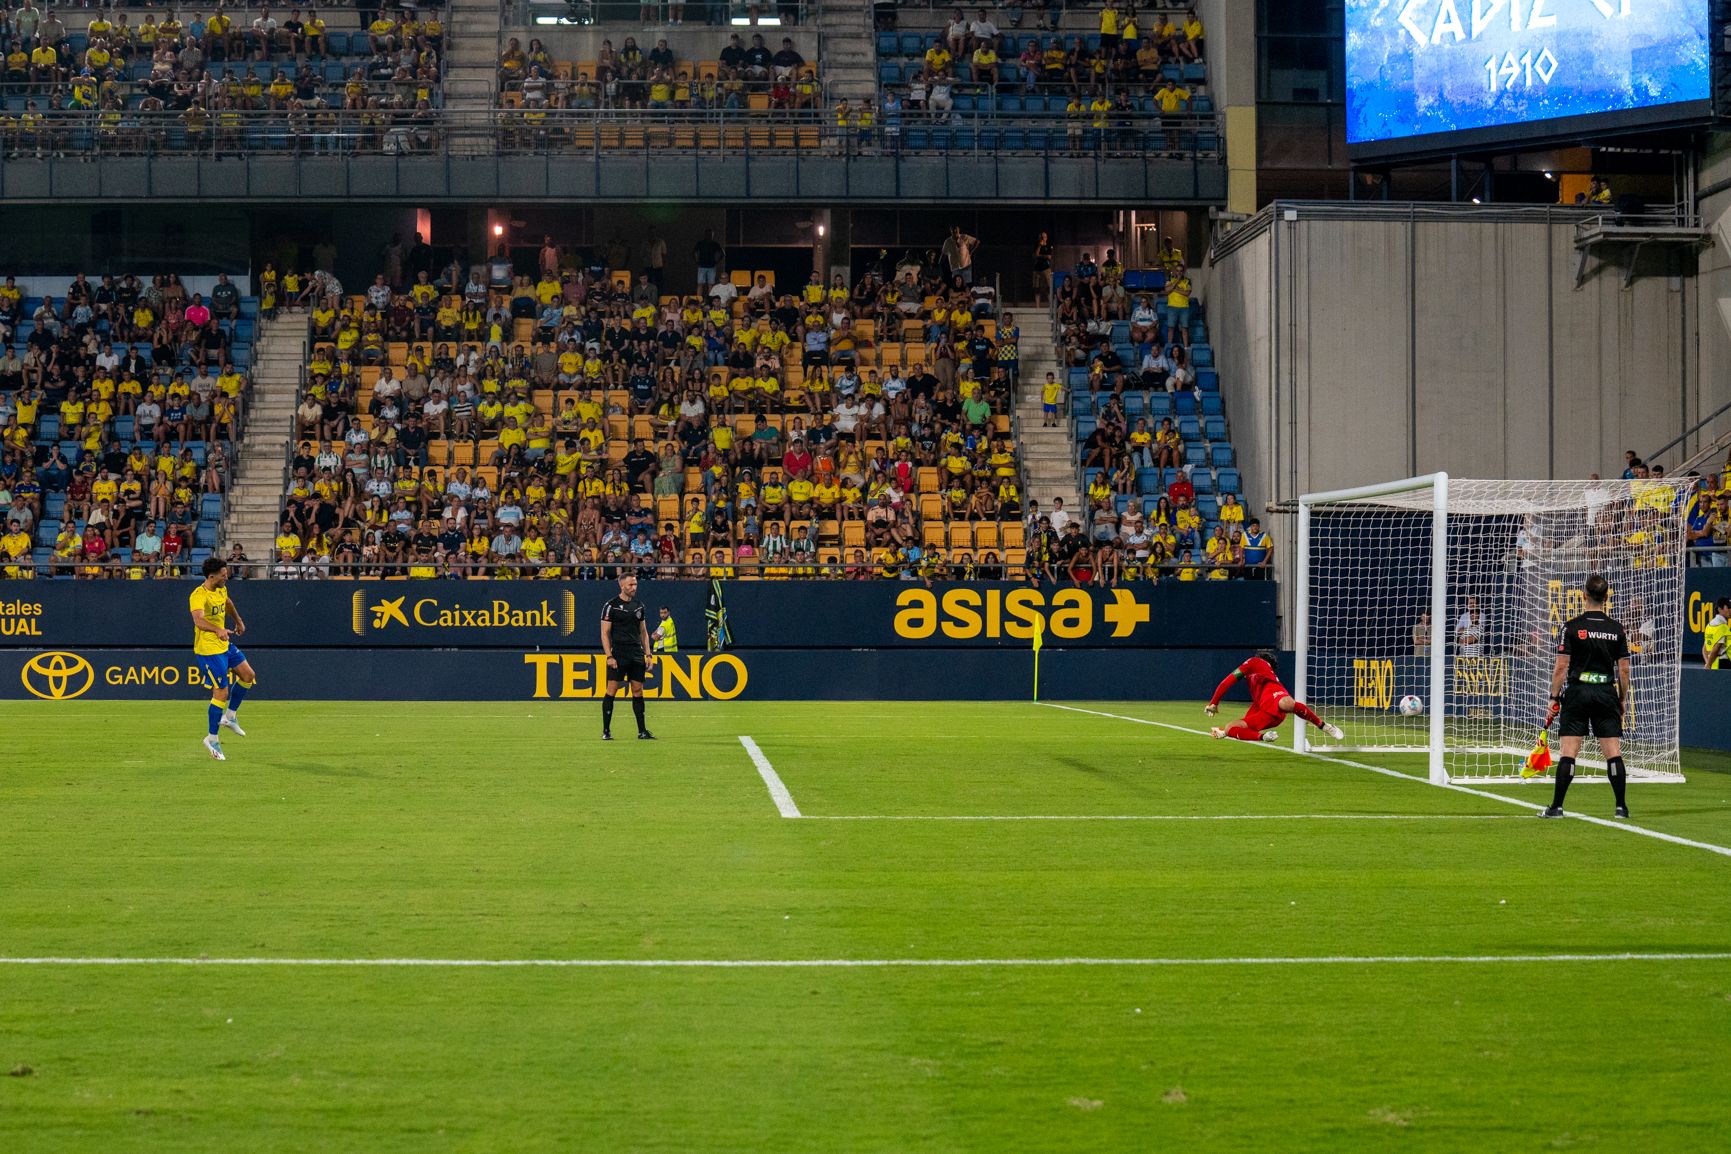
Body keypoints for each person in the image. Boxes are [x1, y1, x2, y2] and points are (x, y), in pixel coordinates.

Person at [1537, 574, 1632, 819]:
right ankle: (1621, 807)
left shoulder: (1571, 627)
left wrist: (1554, 697)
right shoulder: (1616, 629)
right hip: (1605, 691)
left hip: (1578, 692)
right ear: (1607, 597)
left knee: (1569, 750)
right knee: (1613, 750)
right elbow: (1623, 669)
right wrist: (1621, 698)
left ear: (1584, 595)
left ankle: (1556, 807)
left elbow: (1561, 666)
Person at [189, 555, 256, 761]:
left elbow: (227, 603)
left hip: (224, 643)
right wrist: (218, 628)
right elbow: (198, 620)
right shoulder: (198, 595)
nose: (226, 578)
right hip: (208, 649)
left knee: (248, 675)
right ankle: (212, 738)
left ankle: (230, 716)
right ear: (211, 576)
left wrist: (238, 621)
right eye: (223, 575)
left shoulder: (221, 589)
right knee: (221, 692)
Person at [1204, 648, 1345, 744]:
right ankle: (1264, 737)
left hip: (1275, 698)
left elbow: (1226, 682)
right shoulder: (1258, 673)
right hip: (1264, 710)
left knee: (1287, 703)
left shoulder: (1254, 661)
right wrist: (1225, 732)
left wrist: (1214, 702)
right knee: (1230, 727)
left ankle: (1325, 726)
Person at [600, 571, 655, 740]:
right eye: (631, 584)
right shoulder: (611, 605)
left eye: (635, 584)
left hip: (636, 654)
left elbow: (643, 632)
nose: (634, 587)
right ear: (621, 585)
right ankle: (606, 731)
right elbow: (604, 633)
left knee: (638, 691)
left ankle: (642, 731)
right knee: (612, 690)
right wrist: (609, 656)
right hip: (619, 654)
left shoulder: (639, 606)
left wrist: (648, 654)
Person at [1704, 597, 1731, 670]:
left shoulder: (1709, 624)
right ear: (1720, 609)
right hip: (1724, 663)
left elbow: (1704, 649)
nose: (1730, 610)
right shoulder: (1722, 627)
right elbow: (1716, 648)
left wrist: (1708, 663)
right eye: (1728, 607)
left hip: (1714, 663)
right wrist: (1709, 664)